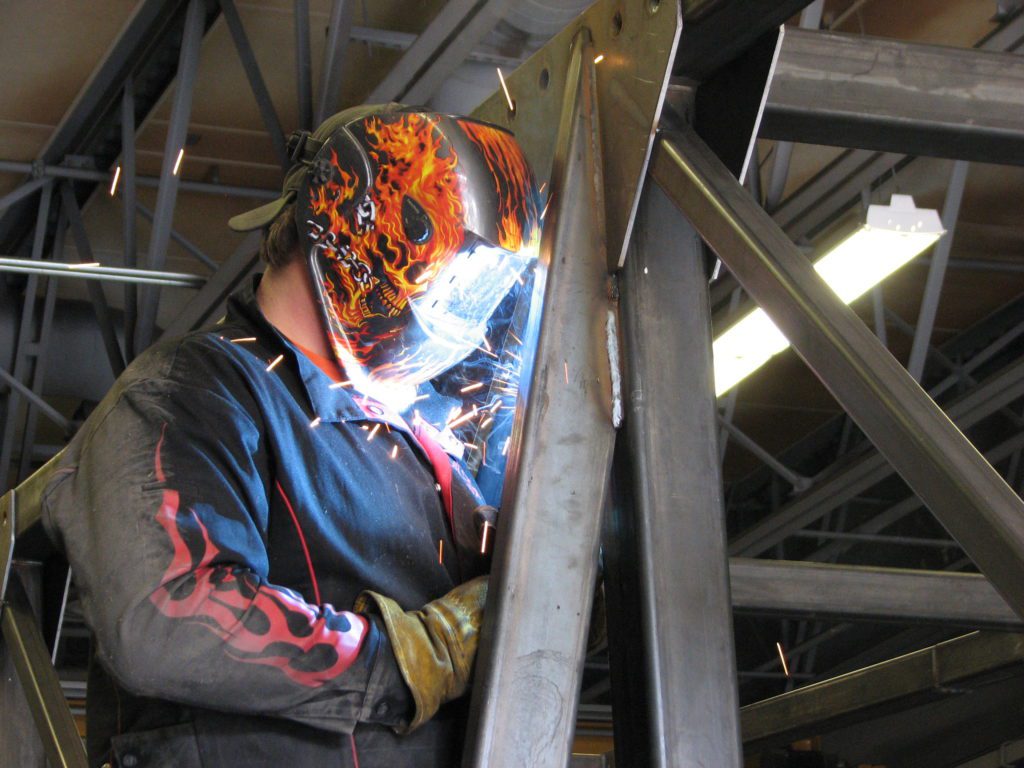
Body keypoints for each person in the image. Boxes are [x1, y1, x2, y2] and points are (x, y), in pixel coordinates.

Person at [25, 103, 542, 767]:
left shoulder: (414, 446)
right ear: (364, 222)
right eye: (455, 278)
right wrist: (416, 657)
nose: (459, 309)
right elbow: (167, 617)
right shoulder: (194, 390)